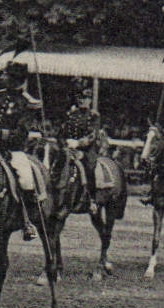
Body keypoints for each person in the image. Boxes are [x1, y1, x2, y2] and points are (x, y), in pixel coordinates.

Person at [0, 61, 47, 241]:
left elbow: (21, 133)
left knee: (26, 180)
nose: (2, 77)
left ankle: (26, 221)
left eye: (6, 75)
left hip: (13, 151)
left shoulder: (29, 103)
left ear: (15, 79)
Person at [57, 80, 111, 213]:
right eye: (80, 97)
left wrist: (79, 144)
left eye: (85, 98)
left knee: (89, 167)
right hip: (69, 150)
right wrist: (64, 145)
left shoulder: (93, 116)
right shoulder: (71, 115)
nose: (82, 100)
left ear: (90, 100)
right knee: (56, 164)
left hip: (87, 152)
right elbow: (61, 133)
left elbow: (93, 135)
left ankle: (92, 199)